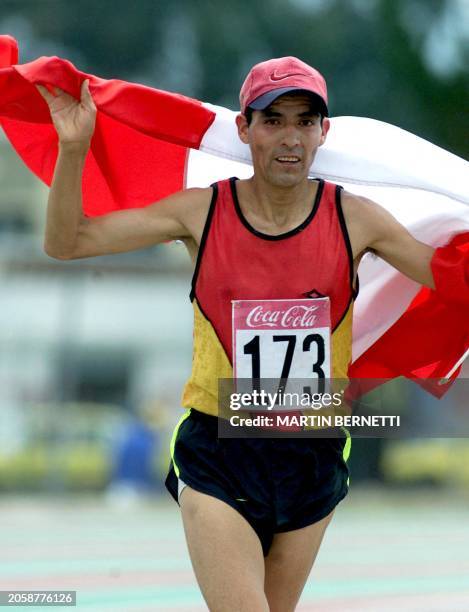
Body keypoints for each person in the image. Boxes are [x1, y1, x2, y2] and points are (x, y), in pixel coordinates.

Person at [37, 56, 436, 612]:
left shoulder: (356, 218)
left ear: (325, 132)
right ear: (244, 129)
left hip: (313, 453)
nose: (290, 138)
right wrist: (74, 147)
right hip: (219, 449)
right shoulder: (202, 212)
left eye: (304, 121)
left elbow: (445, 275)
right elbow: (68, 241)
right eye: (273, 121)